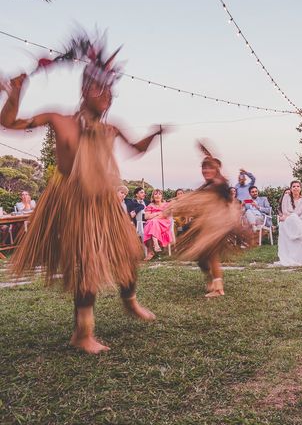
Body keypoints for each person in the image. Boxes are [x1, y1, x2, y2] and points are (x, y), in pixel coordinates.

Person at [0, 34, 161, 353]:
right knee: (86, 263)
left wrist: (153, 136)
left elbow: (137, 148)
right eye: (104, 90)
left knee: (129, 252)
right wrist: (16, 94)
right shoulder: (60, 120)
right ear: (86, 90)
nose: (109, 97)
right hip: (73, 201)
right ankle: (83, 333)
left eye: (112, 92)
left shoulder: (109, 128)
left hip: (104, 202)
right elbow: (8, 122)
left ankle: (130, 301)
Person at [167, 143, 250, 298]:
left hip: (218, 226)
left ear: (217, 170)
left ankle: (218, 289)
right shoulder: (209, 183)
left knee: (211, 255)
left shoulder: (219, 183)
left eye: (210, 168)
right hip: (206, 225)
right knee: (201, 258)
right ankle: (211, 280)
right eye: (204, 168)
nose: (206, 171)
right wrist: (205, 153)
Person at [276, 181, 302, 266]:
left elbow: (298, 213)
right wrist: (289, 216)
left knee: (294, 218)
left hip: (299, 222)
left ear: (300, 188)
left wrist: (289, 216)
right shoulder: (286, 197)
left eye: (297, 186)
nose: (296, 188)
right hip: (287, 221)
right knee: (284, 223)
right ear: (291, 188)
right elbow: (284, 210)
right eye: (293, 186)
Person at [142, 189, 172, 260]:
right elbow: (146, 217)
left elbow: (165, 215)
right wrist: (157, 213)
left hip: (163, 224)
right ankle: (155, 245)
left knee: (153, 222)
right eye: (155, 194)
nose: (157, 195)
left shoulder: (166, 205)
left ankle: (151, 251)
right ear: (153, 196)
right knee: (152, 222)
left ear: (162, 196)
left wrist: (153, 216)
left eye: (159, 194)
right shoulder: (150, 205)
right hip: (152, 223)